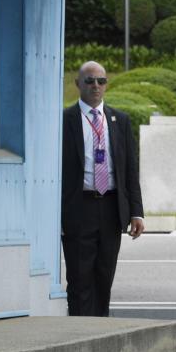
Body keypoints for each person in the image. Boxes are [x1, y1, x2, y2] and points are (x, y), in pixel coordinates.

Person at [61, 62, 145, 316]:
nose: (96, 86)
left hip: (111, 206)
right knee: (79, 276)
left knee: (104, 274)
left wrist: (136, 212)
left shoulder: (119, 120)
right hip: (79, 207)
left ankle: (100, 328)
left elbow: (130, 168)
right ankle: (79, 332)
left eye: (101, 81)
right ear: (78, 84)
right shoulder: (65, 120)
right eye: (89, 81)